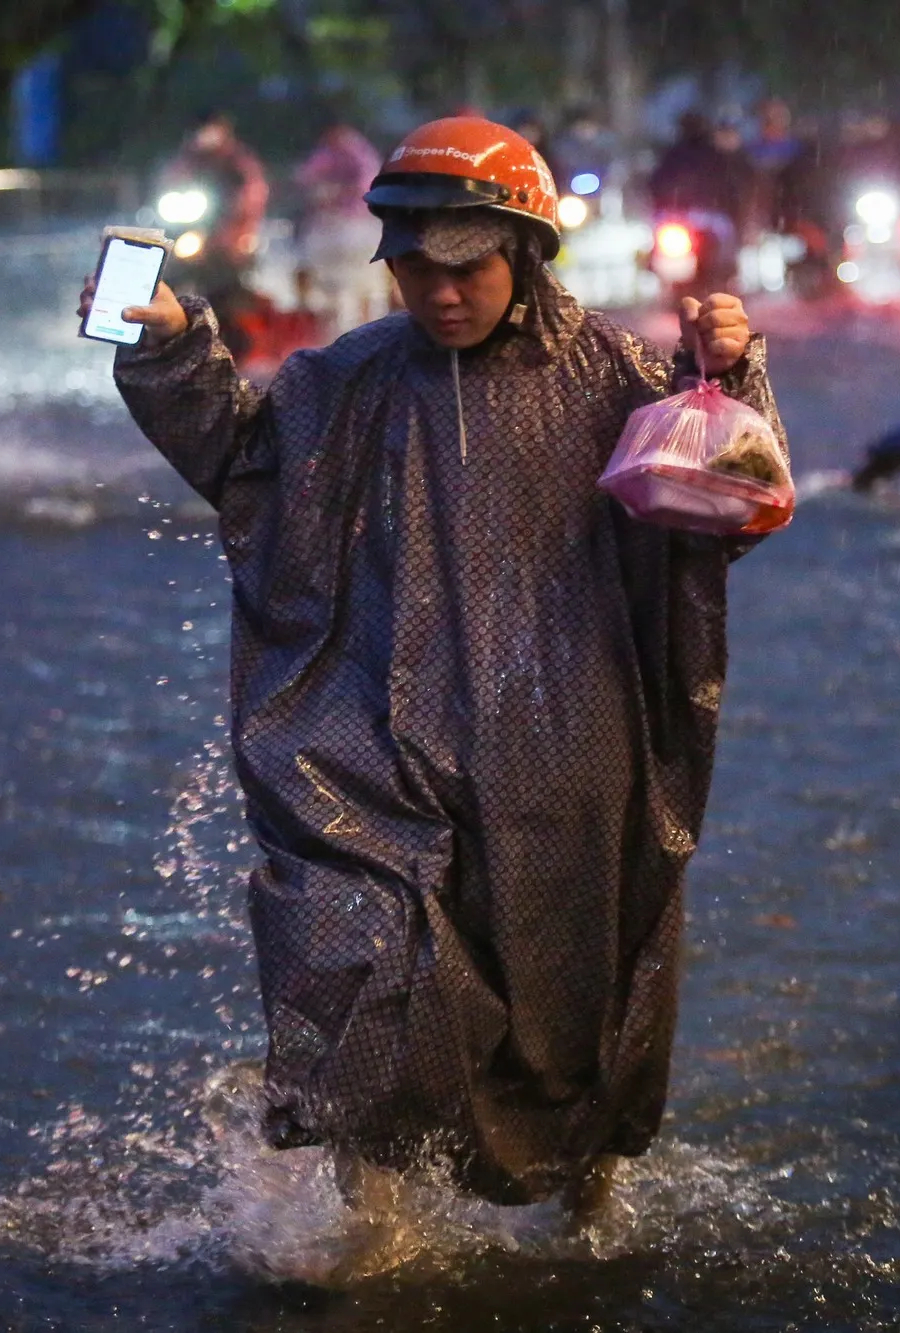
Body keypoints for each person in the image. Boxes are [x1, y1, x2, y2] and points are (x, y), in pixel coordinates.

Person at [83, 116, 781, 1236]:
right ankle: (378, 1238)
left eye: (467, 266)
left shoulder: (612, 371)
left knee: (571, 998)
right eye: (415, 267)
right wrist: (168, 340)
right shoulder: (345, 381)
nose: (441, 292)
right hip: (372, 744)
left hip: (569, 744)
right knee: (354, 959)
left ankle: (589, 1213)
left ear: (525, 253)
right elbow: (245, 465)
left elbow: (726, 504)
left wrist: (727, 371)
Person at [160, 111, 270, 356]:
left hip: (229, 237)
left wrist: (236, 210)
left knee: (227, 282)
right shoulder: (188, 158)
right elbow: (171, 180)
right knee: (168, 273)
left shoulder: (237, 160)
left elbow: (252, 191)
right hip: (193, 230)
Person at [294, 117, 387, 339]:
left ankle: (369, 336)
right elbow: (305, 178)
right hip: (329, 229)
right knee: (325, 289)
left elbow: (367, 184)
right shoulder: (326, 154)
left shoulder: (360, 154)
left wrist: (339, 193)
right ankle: (326, 335)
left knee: (366, 287)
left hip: (359, 227)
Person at [648, 112, 752, 289]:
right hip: (688, 215)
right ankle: (729, 275)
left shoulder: (674, 154)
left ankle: (728, 274)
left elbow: (655, 183)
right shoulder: (712, 155)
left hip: (684, 215)